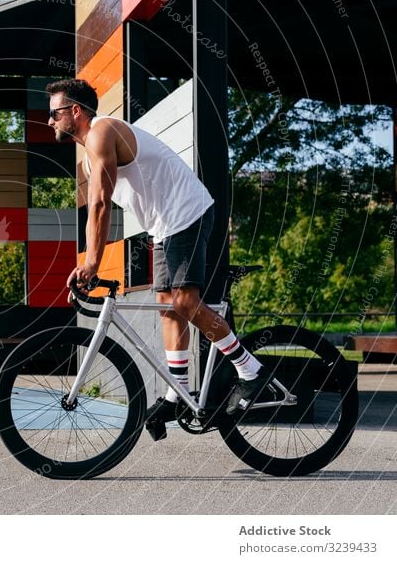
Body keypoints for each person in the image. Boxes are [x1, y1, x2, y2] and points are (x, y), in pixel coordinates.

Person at [46, 78, 267, 426]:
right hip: (164, 227)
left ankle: (251, 371)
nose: (50, 121)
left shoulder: (102, 132)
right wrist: (88, 260)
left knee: (183, 301)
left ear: (75, 110)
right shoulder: (89, 159)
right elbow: (94, 212)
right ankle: (177, 394)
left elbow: (103, 204)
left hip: (186, 212)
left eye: (54, 113)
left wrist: (92, 263)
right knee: (167, 307)